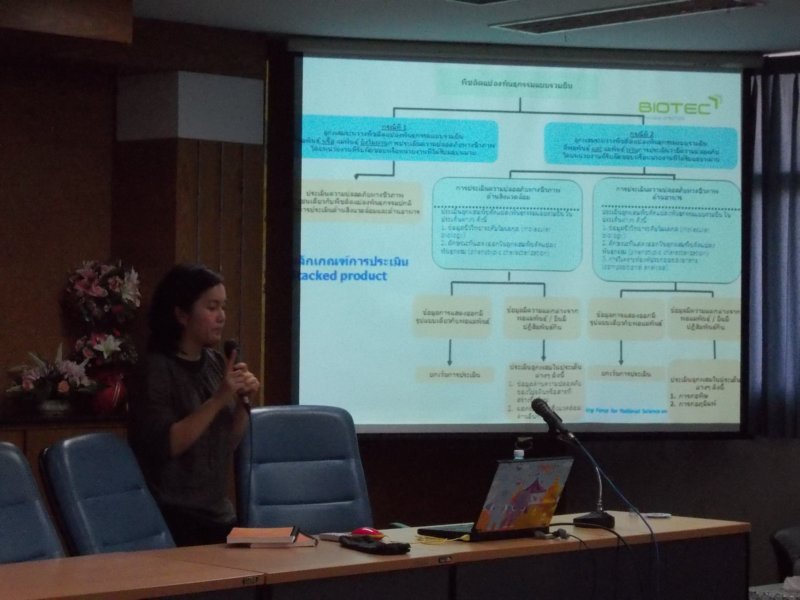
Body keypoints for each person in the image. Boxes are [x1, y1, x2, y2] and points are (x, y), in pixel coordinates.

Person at [128, 263, 260, 546]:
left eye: (223, 307)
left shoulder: (215, 363)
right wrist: (219, 398)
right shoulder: (156, 369)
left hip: (218, 511)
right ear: (182, 314)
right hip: (175, 517)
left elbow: (226, 442)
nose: (221, 317)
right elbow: (167, 444)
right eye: (212, 307)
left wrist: (242, 402)